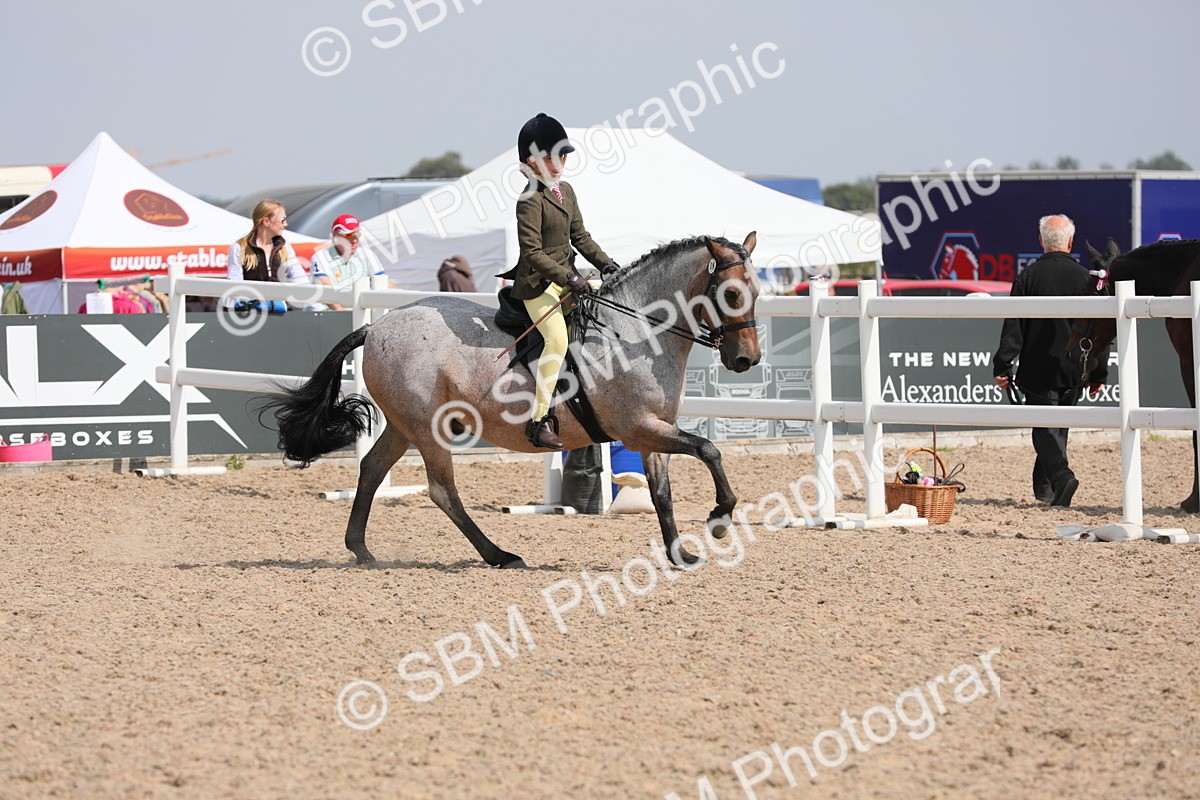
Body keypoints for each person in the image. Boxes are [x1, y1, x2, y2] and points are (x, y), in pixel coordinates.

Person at [496, 113, 619, 450]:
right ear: (532, 160)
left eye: (563, 156)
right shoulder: (529, 199)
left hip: (569, 279)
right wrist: (570, 277)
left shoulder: (566, 190)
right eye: (553, 156)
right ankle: (538, 421)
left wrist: (609, 266)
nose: (560, 163)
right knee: (557, 340)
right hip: (537, 284)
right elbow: (532, 253)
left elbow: (581, 236)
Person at [993, 214, 1109, 507]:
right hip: (1077, 367)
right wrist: (1099, 373)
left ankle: (1061, 477)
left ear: (1041, 241)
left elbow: (1014, 327)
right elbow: (1101, 331)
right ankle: (1047, 489)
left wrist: (1003, 364)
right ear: (1070, 241)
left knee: (1045, 429)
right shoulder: (1087, 279)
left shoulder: (1027, 278)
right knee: (1058, 429)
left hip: (1037, 366)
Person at [226, 199, 311, 309]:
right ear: (266, 222)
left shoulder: (285, 247)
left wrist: (317, 309)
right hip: (250, 316)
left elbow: (300, 279)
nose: (286, 224)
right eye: (282, 220)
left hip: (280, 314)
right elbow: (234, 285)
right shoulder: (239, 247)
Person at [309, 214, 390, 310]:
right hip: (330, 316)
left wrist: (406, 301)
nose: (355, 240)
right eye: (349, 235)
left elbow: (384, 284)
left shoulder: (368, 254)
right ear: (335, 235)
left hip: (361, 314)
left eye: (357, 234)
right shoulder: (321, 256)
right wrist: (344, 316)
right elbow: (325, 289)